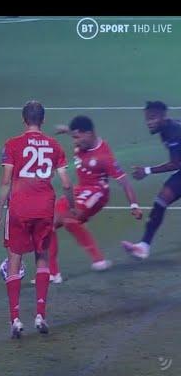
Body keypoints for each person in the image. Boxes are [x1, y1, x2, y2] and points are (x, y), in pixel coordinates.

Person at [0, 100, 74, 338]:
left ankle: (15, 319)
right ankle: (40, 314)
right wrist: (73, 206)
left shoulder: (12, 145)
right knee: (42, 259)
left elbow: (6, 180)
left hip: (18, 208)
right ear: (43, 120)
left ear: (23, 119)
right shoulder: (55, 145)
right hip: (44, 208)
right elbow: (67, 183)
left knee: (14, 261)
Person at [45, 116, 142, 280]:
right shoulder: (84, 140)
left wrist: (134, 205)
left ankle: (99, 260)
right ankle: (53, 273)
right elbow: (77, 134)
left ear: (89, 134)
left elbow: (124, 182)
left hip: (97, 192)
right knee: (46, 222)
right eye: (74, 136)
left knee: (70, 219)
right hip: (80, 189)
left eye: (77, 137)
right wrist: (67, 130)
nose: (75, 141)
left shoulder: (104, 157)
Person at [122, 101, 181, 259]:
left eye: (153, 118)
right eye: (147, 118)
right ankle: (143, 246)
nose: (149, 122)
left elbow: (176, 163)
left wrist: (147, 171)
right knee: (161, 199)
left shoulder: (173, 131)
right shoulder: (166, 130)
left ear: (163, 116)